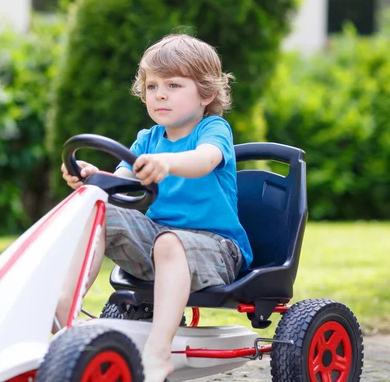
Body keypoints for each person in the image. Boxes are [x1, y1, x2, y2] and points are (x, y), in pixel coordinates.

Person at [59, 33, 253, 382]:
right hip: (158, 244)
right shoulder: (147, 139)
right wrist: (93, 177)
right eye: (152, 86)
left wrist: (167, 163)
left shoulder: (213, 129)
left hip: (217, 248)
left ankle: (159, 352)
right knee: (99, 210)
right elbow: (122, 182)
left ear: (206, 93)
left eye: (174, 85)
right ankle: (63, 315)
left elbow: (205, 160)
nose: (160, 94)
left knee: (169, 242)